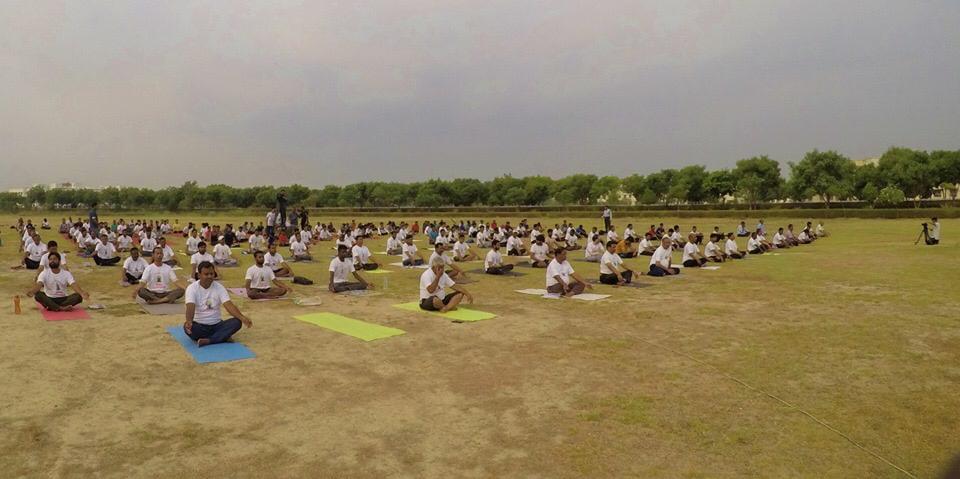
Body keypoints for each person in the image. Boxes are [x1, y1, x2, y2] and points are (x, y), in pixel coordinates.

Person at [184, 261, 252, 347]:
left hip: (217, 325)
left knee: (237, 322)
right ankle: (221, 337)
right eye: (206, 274)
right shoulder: (192, 288)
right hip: (200, 326)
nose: (209, 276)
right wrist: (189, 321)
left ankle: (209, 340)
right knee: (188, 328)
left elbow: (228, 305)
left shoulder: (219, 287)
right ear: (199, 275)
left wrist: (242, 318)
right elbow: (190, 306)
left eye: (211, 274)